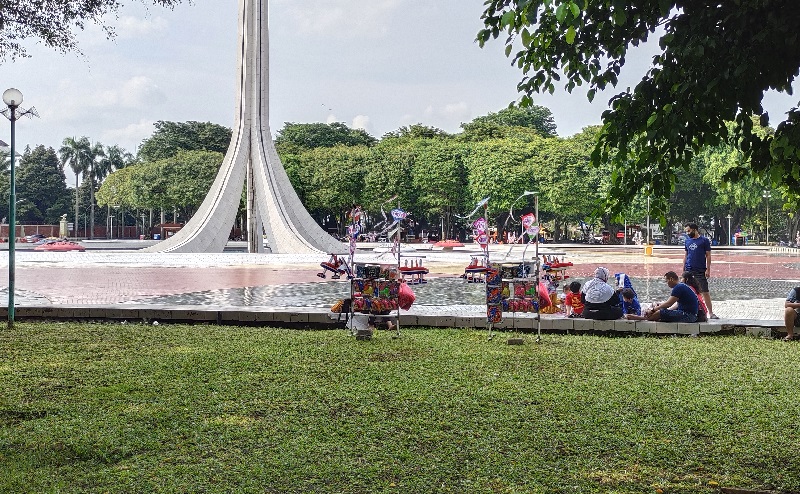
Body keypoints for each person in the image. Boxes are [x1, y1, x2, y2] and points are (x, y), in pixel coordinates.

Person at [625, 271, 698, 322]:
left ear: (671, 279)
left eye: (666, 281)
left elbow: (668, 304)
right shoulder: (681, 286)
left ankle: (643, 318)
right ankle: (647, 317)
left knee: (660, 312)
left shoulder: (678, 287)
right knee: (662, 311)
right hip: (689, 314)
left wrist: (653, 310)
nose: (667, 284)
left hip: (689, 316)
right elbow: (671, 305)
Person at [684, 222, 717, 318]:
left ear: (695, 229)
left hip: (700, 270)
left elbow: (708, 255)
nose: (688, 233)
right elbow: (686, 255)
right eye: (686, 231)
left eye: (689, 231)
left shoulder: (704, 241)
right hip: (689, 270)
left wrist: (708, 269)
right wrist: (683, 269)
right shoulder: (687, 241)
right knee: (687, 292)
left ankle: (710, 313)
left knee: (705, 291)